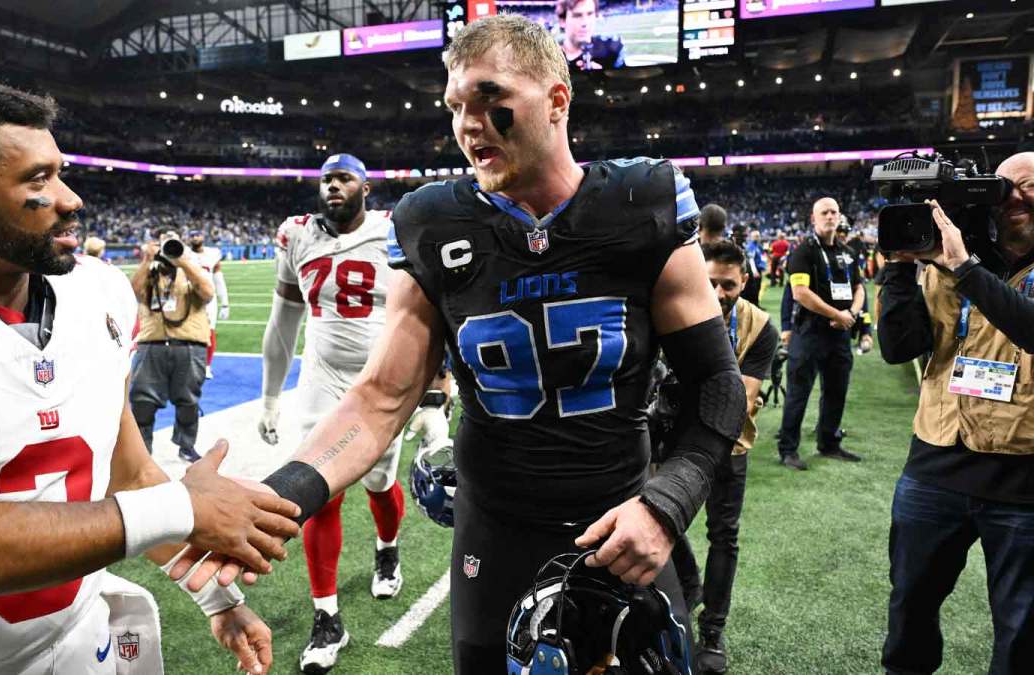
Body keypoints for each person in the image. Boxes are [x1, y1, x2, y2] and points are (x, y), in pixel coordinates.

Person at [221, 15, 746, 673]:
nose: (468, 124)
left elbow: (717, 385)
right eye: (455, 107)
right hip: (494, 531)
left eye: (489, 99)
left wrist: (667, 506)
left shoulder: (642, 202)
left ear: (557, 100)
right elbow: (382, 397)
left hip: (622, 521)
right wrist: (281, 496)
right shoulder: (432, 222)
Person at [0, 75, 300, 674]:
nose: (72, 197)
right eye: (38, 180)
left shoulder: (99, 293)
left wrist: (215, 596)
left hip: (84, 644)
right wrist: (184, 507)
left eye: (60, 171)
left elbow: (125, 473)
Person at [878, 152, 1034, 675]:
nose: (1014, 197)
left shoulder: (961, 262)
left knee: (1021, 630)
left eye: (1028, 187)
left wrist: (965, 268)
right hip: (937, 460)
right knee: (910, 608)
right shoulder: (949, 257)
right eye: (1003, 187)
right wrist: (899, 269)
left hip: (1023, 475)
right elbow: (900, 347)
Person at [258, 154, 408, 674]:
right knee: (322, 495)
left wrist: (434, 382)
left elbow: (429, 309)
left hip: (381, 376)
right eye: (325, 179)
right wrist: (271, 396)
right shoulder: (296, 235)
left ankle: (387, 549)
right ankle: (328, 618)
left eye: (343, 178)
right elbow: (282, 323)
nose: (332, 186)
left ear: (366, 186)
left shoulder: (395, 230)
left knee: (380, 484)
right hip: (321, 380)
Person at [692, 239, 779, 674]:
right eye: (710, 283)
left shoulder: (760, 325)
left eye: (728, 284)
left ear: (744, 281)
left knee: (724, 536)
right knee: (656, 529)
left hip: (729, 444)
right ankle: (689, 587)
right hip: (677, 443)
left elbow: (742, 399)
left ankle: (712, 631)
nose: (720, 293)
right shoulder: (678, 306)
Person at [775, 197, 865, 470]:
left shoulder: (848, 252)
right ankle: (788, 449)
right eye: (824, 212)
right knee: (798, 394)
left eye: (834, 212)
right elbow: (800, 293)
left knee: (836, 391)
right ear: (813, 219)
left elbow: (859, 287)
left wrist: (851, 315)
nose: (830, 216)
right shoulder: (802, 251)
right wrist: (836, 315)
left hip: (839, 335)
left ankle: (829, 443)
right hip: (809, 333)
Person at [129, 231, 215, 463]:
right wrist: (147, 260)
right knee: (142, 403)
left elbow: (208, 293)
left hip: (189, 344)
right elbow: (133, 292)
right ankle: (142, 453)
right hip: (151, 344)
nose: (167, 249)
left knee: (188, 402)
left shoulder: (192, 272)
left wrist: (184, 260)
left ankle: (186, 446)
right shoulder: (149, 274)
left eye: (172, 243)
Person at [187, 228, 229, 379]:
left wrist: (225, 303)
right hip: (188, 296)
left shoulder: (213, 253)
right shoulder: (185, 253)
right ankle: (189, 364)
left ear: (203, 236)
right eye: (192, 236)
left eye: (197, 234)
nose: (195, 238)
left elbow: (218, 278)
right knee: (187, 332)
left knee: (209, 331)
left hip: (208, 297)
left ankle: (206, 366)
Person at [555, 0, 625, 71]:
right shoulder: (550, 55)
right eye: (577, 16)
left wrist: (602, 77)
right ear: (562, 21)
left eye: (590, 14)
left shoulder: (611, 50)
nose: (585, 23)